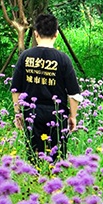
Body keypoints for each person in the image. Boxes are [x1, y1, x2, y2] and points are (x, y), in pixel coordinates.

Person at [10, 13, 82, 164]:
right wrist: (73, 116)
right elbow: (74, 94)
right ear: (56, 34)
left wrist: (18, 113)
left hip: (32, 113)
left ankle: (34, 184)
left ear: (35, 34)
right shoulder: (63, 59)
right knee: (56, 160)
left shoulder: (25, 57)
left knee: (33, 157)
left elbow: (15, 89)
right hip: (57, 115)